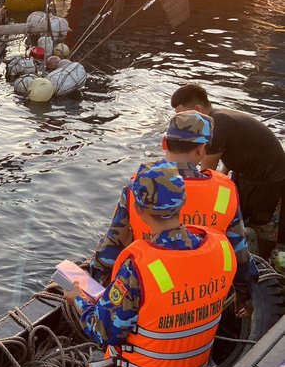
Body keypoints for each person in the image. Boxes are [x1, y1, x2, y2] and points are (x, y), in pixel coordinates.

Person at [55, 160, 238, 367]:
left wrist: (77, 299)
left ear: (139, 209)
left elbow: (106, 332)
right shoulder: (222, 248)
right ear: (182, 200)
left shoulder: (138, 265)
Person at [90, 111, 257, 318]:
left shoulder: (139, 187)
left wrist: (94, 283)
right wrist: (245, 295)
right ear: (201, 150)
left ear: (164, 143)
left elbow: (113, 245)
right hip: (206, 290)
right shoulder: (225, 191)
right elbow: (238, 250)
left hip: (151, 289)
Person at [171, 83, 285, 259]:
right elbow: (230, 156)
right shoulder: (220, 117)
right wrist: (225, 179)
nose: (179, 121)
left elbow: (204, 174)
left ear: (198, 109)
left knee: (263, 225)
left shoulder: (215, 126)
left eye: (181, 115)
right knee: (237, 213)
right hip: (245, 173)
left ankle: (263, 262)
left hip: (268, 179)